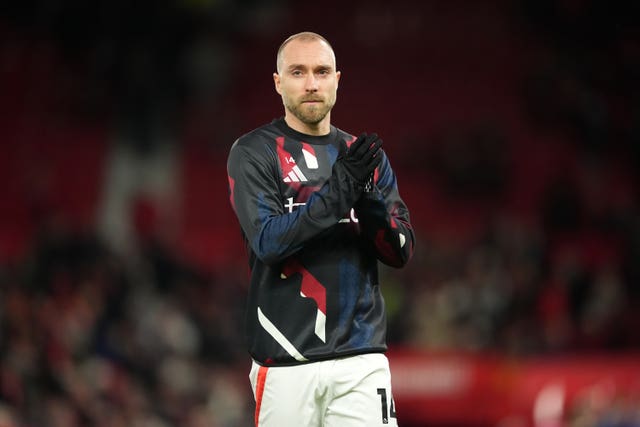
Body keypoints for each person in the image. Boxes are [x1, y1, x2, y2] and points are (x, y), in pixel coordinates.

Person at [226, 31, 415, 427]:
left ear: (337, 80)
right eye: (298, 72)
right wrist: (342, 189)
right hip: (285, 359)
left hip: (361, 358)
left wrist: (367, 200)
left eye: (321, 71)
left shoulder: (364, 159)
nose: (311, 83)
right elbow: (270, 241)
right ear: (278, 82)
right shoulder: (254, 152)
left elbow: (399, 250)